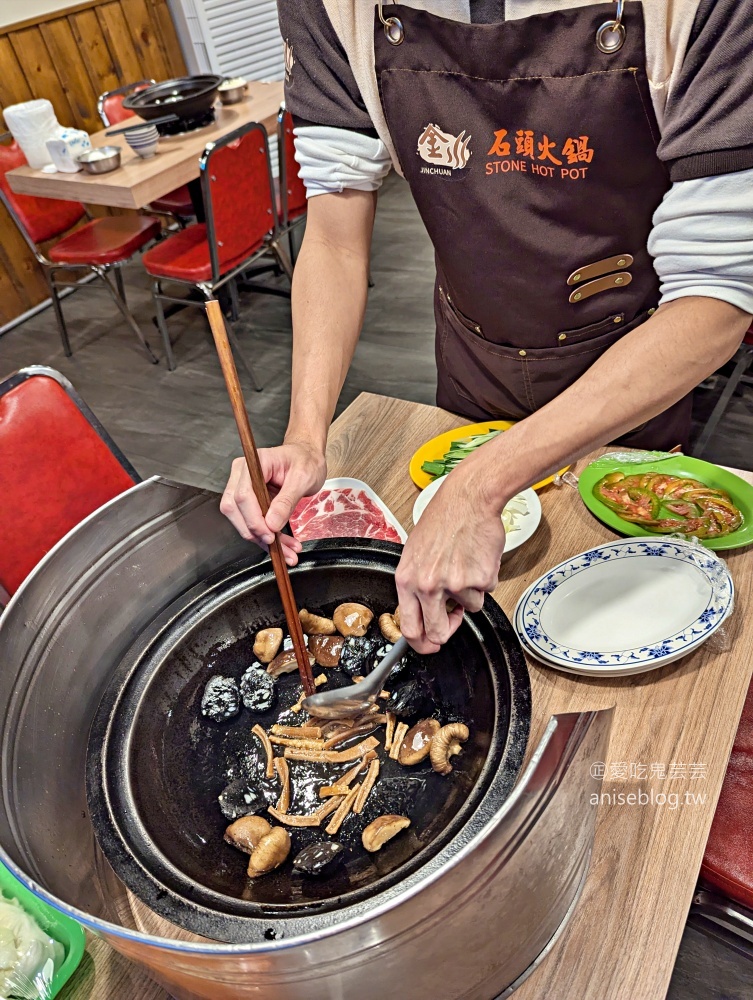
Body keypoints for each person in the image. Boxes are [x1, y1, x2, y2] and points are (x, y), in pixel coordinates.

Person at [221, 0, 753, 654]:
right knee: (477, 623)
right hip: (474, 351)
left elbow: (716, 296)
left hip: (629, 368)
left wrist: (478, 485)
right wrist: (305, 436)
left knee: (613, 611)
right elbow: (332, 240)